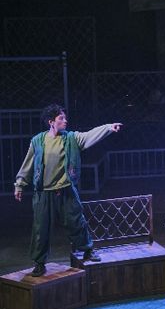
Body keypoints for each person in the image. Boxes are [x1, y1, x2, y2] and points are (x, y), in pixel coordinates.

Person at [14, 104, 123, 277]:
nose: (65, 121)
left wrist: (109, 128)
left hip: (65, 189)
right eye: (61, 118)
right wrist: (20, 184)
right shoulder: (38, 141)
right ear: (51, 122)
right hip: (44, 193)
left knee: (76, 221)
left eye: (65, 118)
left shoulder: (71, 138)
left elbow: (89, 135)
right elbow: (28, 164)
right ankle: (39, 263)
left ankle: (87, 250)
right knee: (41, 228)